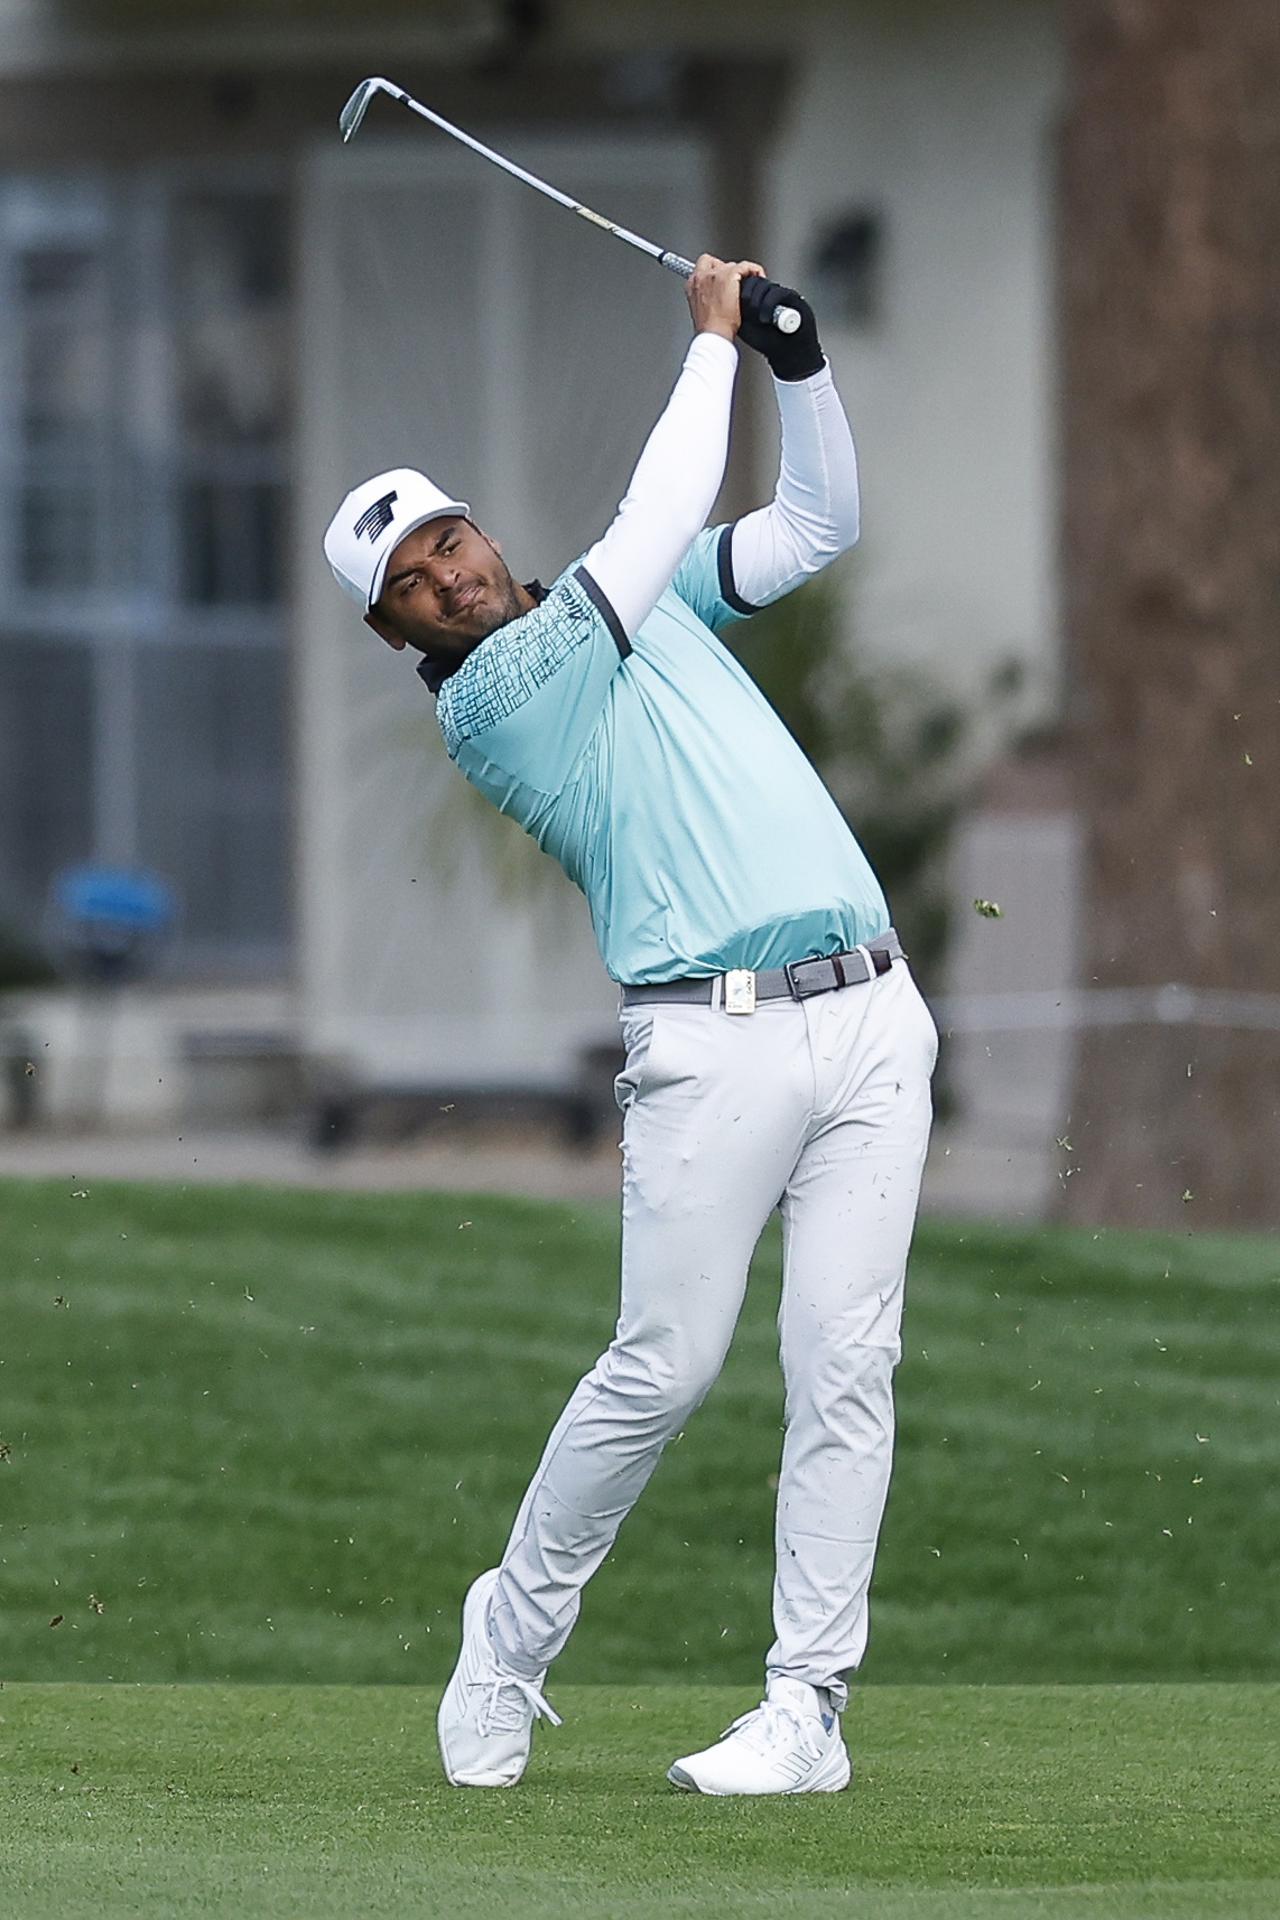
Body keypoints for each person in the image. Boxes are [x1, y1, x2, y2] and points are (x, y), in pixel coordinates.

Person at [323, 257, 937, 1797]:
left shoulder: (639, 608)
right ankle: (508, 1642)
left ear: (485, 530)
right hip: (706, 1044)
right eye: (414, 581)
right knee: (663, 1371)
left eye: (448, 539)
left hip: (873, 1013)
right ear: (406, 634)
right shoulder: (498, 696)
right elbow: (656, 519)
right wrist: (716, 344)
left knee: (845, 1368)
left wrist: (798, 365)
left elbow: (813, 528)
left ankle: (808, 1714)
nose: (448, 575)